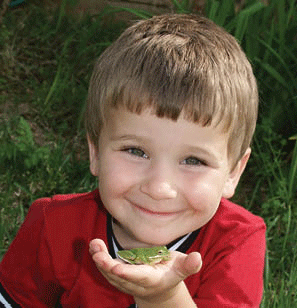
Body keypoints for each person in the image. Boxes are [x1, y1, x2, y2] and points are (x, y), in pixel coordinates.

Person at [0, 13, 266, 307]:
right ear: (96, 153)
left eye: (193, 160)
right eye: (136, 151)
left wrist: (164, 297)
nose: (159, 187)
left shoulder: (236, 244)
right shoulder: (53, 225)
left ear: (233, 172)